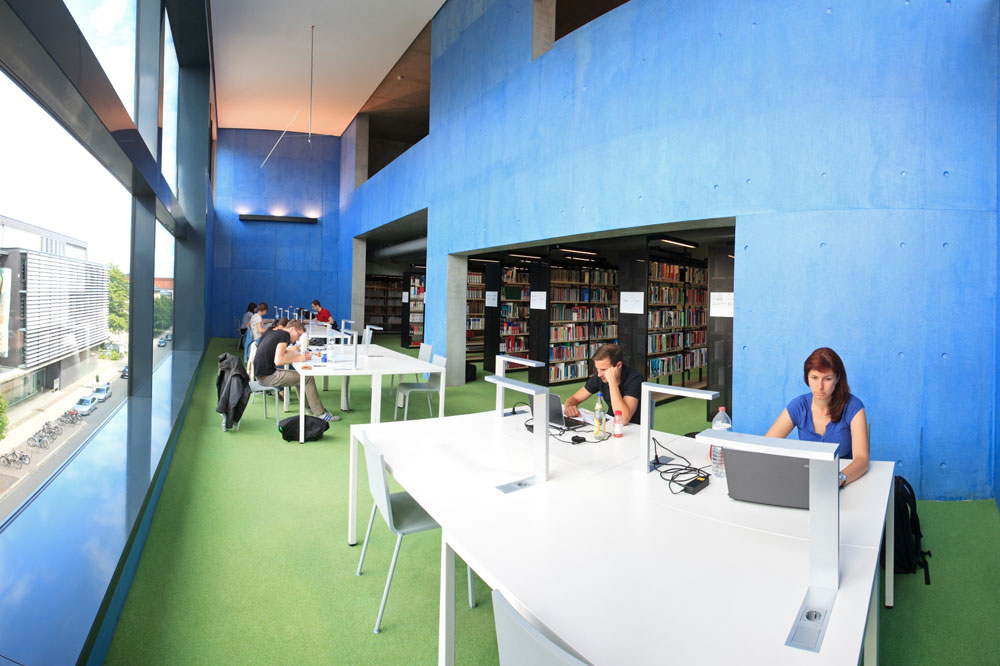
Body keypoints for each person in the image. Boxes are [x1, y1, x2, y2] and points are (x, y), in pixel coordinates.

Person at [765, 347, 869, 487]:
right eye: (814, 378)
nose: (819, 386)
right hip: (806, 479)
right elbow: (767, 446)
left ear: (838, 378)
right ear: (807, 377)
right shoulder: (798, 405)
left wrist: (838, 479)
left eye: (827, 379)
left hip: (847, 481)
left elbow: (862, 459)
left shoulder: (854, 406)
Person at [253, 319, 340, 422]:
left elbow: (282, 353)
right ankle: (320, 414)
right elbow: (278, 360)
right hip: (267, 377)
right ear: (293, 329)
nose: (297, 339)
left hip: (261, 375)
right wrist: (299, 358)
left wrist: (301, 356)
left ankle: (310, 407)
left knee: (300, 376)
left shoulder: (271, 331)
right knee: (307, 377)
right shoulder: (284, 335)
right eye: (299, 335)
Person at [563, 343, 645, 425]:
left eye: (604, 369)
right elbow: (574, 398)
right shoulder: (600, 377)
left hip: (633, 427)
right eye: (597, 369)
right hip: (611, 422)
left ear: (618, 365)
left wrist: (612, 381)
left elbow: (623, 419)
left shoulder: (635, 380)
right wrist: (569, 406)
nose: (599, 374)